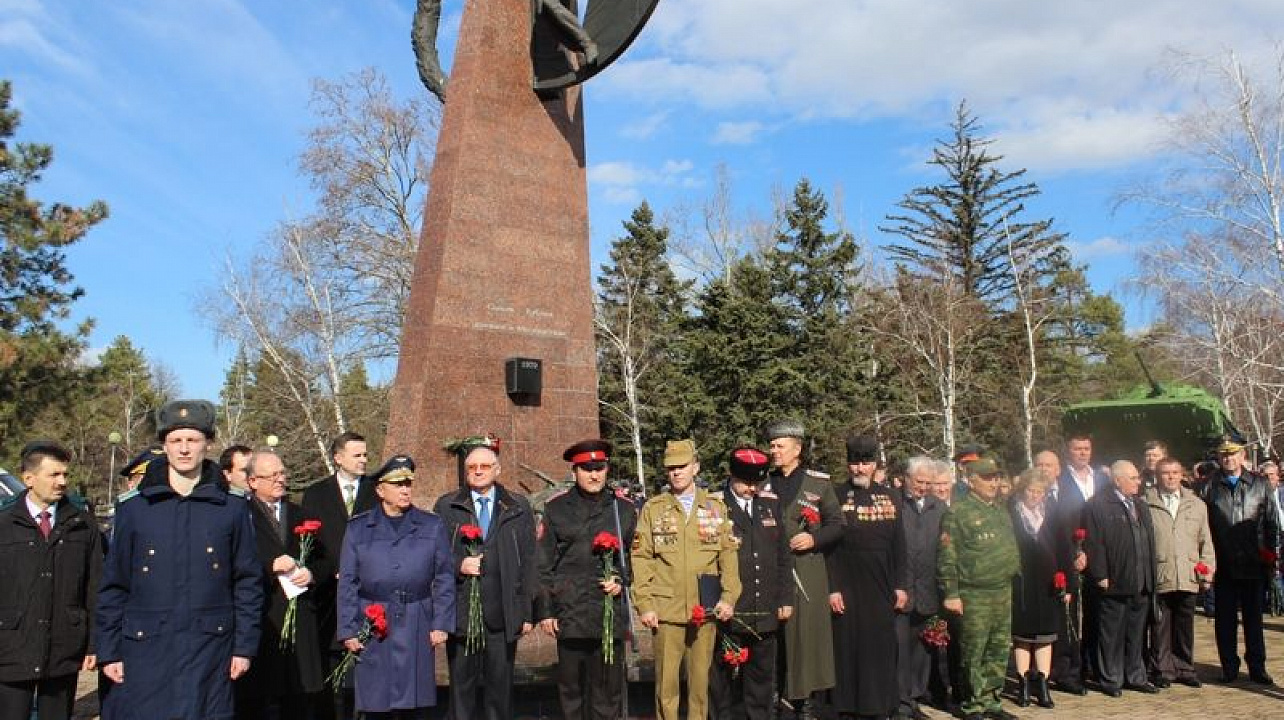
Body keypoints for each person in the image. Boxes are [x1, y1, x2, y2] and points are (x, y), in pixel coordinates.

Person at [96, 399, 263, 720]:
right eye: (176, 440)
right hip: (146, 651)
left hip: (211, 651)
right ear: (164, 445)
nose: (184, 449)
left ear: (208, 444)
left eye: (193, 440)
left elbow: (247, 582)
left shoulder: (232, 506)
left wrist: (244, 647)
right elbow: (115, 585)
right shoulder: (134, 508)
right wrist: (110, 649)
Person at [337, 455, 455, 718]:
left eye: (408, 484)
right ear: (380, 490)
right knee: (376, 700)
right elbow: (348, 582)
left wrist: (440, 623)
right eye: (398, 484)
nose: (405, 490)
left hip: (416, 618)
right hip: (373, 620)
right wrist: (348, 629)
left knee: (414, 703)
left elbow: (445, 576)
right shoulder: (359, 528)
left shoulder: (431, 524)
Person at [633, 439, 741, 720]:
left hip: (703, 610)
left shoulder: (716, 508)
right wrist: (645, 604)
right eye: (670, 468)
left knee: (699, 686)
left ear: (696, 467)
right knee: (666, 687)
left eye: (682, 466)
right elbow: (642, 558)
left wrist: (729, 598)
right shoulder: (653, 509)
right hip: (665, 610)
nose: (676, 472)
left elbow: (727, 556)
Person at [433, 439, 537, 720]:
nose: (478, 471)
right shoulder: (447, 507)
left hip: (502, 615)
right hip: (462, 614)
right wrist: (458, 564)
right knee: (461, 693)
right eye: (472, 467)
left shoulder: (517, 506)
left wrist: (527, 611)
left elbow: (529, 562)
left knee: (499, 693)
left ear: (497, 470)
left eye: (485, 466)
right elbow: (434, 558)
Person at [535, 439, 638, 720]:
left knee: (608, 693)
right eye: (586, 468)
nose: (594, 475)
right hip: (570, 613)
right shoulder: (556, 509)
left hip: (608, 615)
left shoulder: (624, 510)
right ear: (574, 472)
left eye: (599, 468)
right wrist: (545, 611)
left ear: (607, 469)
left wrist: (621, 579)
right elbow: (542, 565)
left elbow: (636, 559)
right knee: (571, 693)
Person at [0, 441, 103, 720]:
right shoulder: (5, 525)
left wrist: (94, 643)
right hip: (11, 647)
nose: (62, 482)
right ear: (29, 479)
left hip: (63, 647)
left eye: (65, 475)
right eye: (54, 475)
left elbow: (94, 587)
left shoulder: (82, 525)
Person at [760, 419, 842, 719]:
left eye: (780, 446)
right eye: (771, 445)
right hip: (771, 572)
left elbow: (837, 524)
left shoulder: (818, 484)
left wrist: (814, 538)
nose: (774, 451)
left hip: (807, 570)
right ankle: (773, 696)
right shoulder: (763, 483)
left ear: (798, 449)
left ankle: (805, 701)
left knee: (805, 637)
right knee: (772, 635)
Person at [236, 449, 324, 719]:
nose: (279, 479)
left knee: (298, 699)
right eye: (271, 475)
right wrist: (268, 567)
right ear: (252, 481)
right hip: (263, 616)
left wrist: (310, 574)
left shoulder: (301, 513)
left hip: (299, 618)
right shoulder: (239, 515)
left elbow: (324, 559)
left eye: (282, 473)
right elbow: (231, 564)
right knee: (257, 699)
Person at [826, 434, 909, 720]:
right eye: (854, 463)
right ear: (848, 465)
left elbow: (900, 545)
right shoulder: (834, 495)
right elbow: (828, 550)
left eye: (865, 463)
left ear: (874, 465)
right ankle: (847, 707)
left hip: (881, 585)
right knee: (847, 649)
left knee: (879, 648)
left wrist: (901, 585)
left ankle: (879, 706)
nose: (859, 469)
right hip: (846, 585)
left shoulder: (892, 496)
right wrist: (832, 588)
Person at [709, 447, 794, 720]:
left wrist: (785, 598)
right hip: (731, 609)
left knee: (761, 680)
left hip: (765, 607)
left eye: (757, 483)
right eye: (746, 483)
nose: (751, 489)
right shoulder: (715, 506)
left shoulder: (770, 503)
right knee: (724, 681)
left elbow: (782, 556)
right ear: (732, 476)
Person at [938, 458, 1020, 720]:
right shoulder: (957, 513)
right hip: (974, 593)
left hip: (1001, 590)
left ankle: (991, 700)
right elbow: (947, 556)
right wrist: (951, 593)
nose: (994, 482)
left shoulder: (1000, 510)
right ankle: (971, 704)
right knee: (973, 650)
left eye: (996, 477)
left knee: (998, 649)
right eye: (987, 478)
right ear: (971, 480)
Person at [302, 431, 376, 720]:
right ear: (338, 458)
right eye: (357, 455)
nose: (363, 460)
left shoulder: (375, 490)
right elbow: (309, 542)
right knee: (330, 670)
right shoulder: (316, 493)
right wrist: (329, 571)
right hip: (327, 596)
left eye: (366, 454)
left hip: (367, 592)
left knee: (366, 663)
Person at [1198, 434, 1280, 684]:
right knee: (1224, 621)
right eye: (1223, 454)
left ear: (1242, 455)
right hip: (1222, 564)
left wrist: (1270, 554)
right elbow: (1202, 527)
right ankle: (1229, 667)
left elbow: (1271, 523)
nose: (1228, 458)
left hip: (1253, 562)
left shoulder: (1260, 483)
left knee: (1254, 620)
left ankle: (1257, 667)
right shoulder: (1208, 486)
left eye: (1232, 453)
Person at [1083, 460, 1158, 697]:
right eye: (1133, 478)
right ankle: (1111, 679)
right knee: (1112, 634)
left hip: (1141, 580)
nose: (1139, 482)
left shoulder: (1140, 505)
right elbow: (1095, 543)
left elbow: (1148, 540)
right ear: (1118, 480)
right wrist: (1101, 574)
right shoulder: (1098, 505)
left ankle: (1135, 676)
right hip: (1115, 580)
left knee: (1136, 634)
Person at [1144, 458, 1214, 688]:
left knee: (1185, 626)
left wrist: (1207, 571)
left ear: (1182, 474)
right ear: (1157, 475)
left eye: (1175, 472)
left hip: (1188, 573)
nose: (1171, 477)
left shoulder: (1196, 504)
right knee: (1160, 625)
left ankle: (1185, 667)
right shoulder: (1146, 503)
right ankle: (1162, 669)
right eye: (1166, 473)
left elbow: (1206, 542)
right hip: (1160, 573)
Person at [1008, 468, 1071, 709]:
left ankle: (1042, 685)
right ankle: (1023, 683)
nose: (1035, 496)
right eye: (1031, 491)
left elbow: (1064, 549)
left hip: (1049, 584)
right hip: (1022, 583)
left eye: (1040, 492)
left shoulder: (1053, 513)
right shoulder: (1011, 513)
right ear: (1022, 490)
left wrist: (1067, 585)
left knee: (1045, 635)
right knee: (1023, 636)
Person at [1051, 436, 1105, 695]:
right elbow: (1060, 523)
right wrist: (1075, 552)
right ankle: (1067, 671)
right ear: (1068, 452)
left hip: (1101, 556)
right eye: (1077, 449)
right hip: (1071, 554)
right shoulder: (1060, 482)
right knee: (1070, 616)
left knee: (1098, 613)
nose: (1082, 453)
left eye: (1086, 448)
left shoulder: (1102, 478)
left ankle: (1093, 665)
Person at [896, 457, 948, 720]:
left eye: (929, 482)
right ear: (906, 478)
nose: (924, 487)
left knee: (922, 651)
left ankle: (914, 699)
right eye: (919, 481)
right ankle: (900, 702)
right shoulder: (893, 504)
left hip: (928, 591)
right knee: (900, 650)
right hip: (900, 590)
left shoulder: (938, 508)